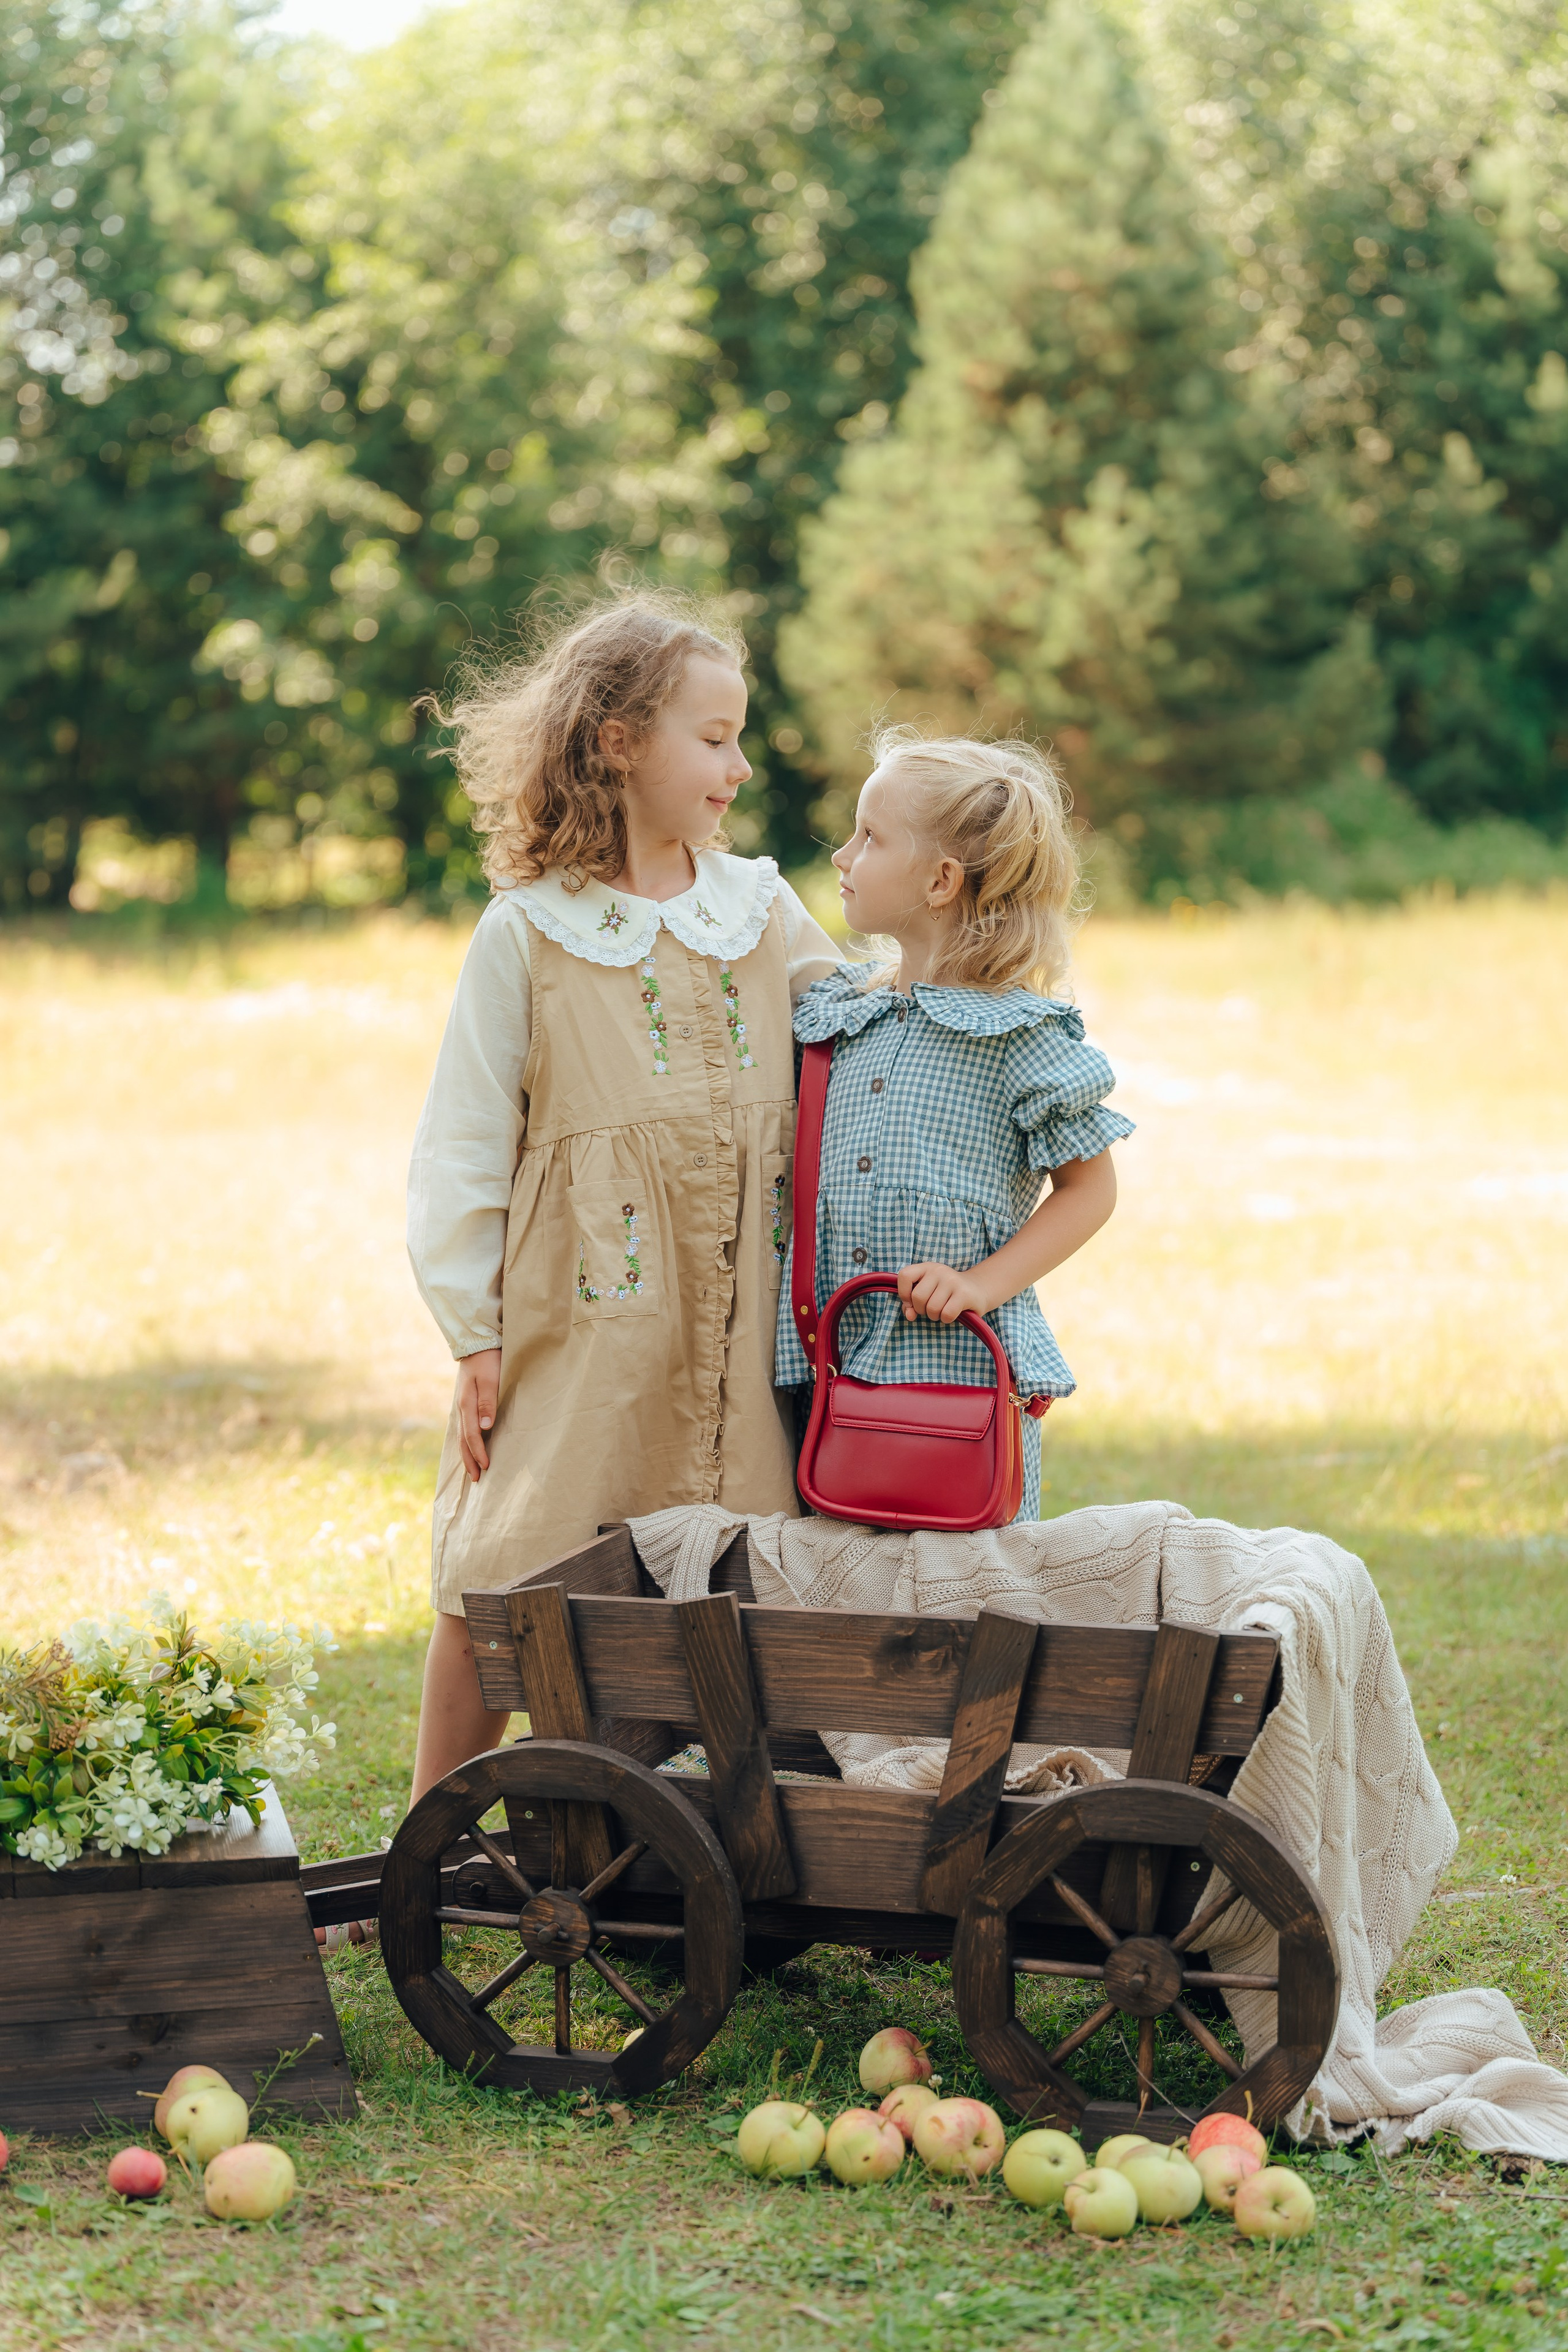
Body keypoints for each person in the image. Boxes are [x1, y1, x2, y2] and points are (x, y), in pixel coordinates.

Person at [405, 595, 839, 1803]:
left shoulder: (759, 908)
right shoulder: (528, 934)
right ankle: (423, 1837)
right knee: (503, 1575)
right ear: (618, 743)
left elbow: (862, 1038)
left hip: (740, 1321)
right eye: (714, 739)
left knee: (737, 1586)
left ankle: (735, 1834)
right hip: (584, 1323)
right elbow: (462, 1142)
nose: (738, 768)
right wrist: (475, 1333)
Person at [775, 726, 1133, 1523]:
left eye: (870, 837)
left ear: (940, 880)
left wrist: (980, 1285)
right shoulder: (840, 1015)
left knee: (965, 1577)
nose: (843, 856)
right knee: (835, 1573)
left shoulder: (1018, 1037)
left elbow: (1091, 1191)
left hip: (954, 1375)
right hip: (829, 1365)